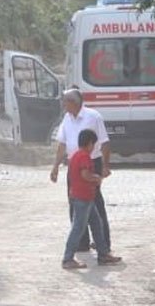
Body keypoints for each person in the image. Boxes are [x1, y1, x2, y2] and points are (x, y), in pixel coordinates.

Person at [51, 89, 112, 252]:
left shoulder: (93, 117)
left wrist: (105, 165)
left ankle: (103, 242)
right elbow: (62, 144)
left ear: (74, 102)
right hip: (74, 163)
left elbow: (105, 142)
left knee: (95, 201)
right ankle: (82, 242)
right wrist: (55, 166)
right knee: (74, 200)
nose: (63, 105)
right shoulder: (67, 118)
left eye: (65, 101)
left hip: (92, 162)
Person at [62, 129, 122, 269]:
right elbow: (85, 175)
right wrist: (97, 178)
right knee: (78, 228)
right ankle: (67, 258)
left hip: (83, 196)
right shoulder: (84, 157)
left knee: (97, 224)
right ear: (90, 144)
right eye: (94, 144)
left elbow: (75, 175)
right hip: (84, 197)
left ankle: (103, 254)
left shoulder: (75, 155)